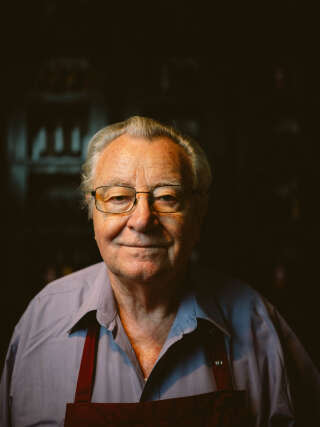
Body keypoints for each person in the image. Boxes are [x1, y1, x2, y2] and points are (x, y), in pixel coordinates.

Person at [1, 116, 319, 426]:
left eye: (167, 197)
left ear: (198, 215)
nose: (141, 220)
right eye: (118, 197)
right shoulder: (41, 323)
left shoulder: (258, 325)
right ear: (92, 212)